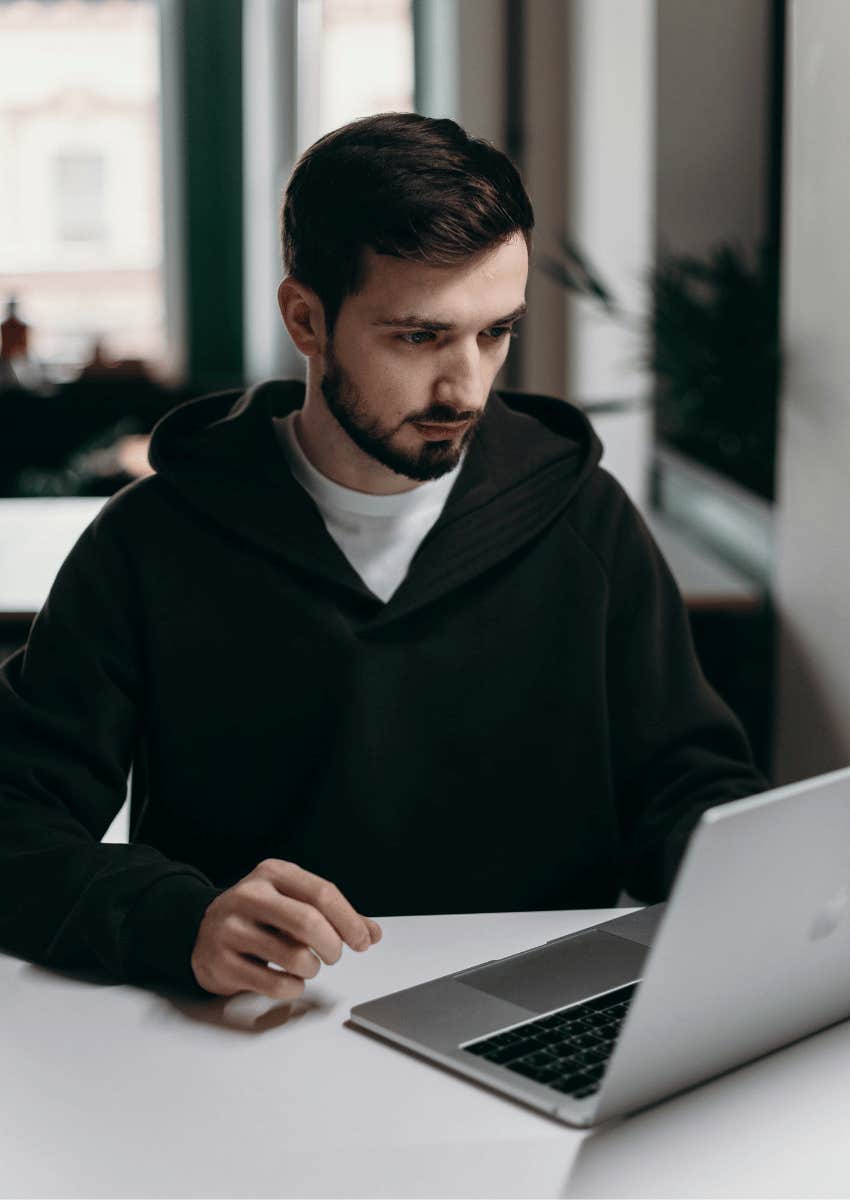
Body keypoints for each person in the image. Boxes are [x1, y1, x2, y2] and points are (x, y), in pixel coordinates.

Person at [0, 112, 769, 1004]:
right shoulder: (151, 541)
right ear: (306, 318)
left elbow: (688, 794)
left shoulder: (586, 523)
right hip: (259, 1028)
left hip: (533, 1022)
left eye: (494, 333)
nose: (467, 386)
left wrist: (770, 876)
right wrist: (180, 923)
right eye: (419, 337)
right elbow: (15, 822)